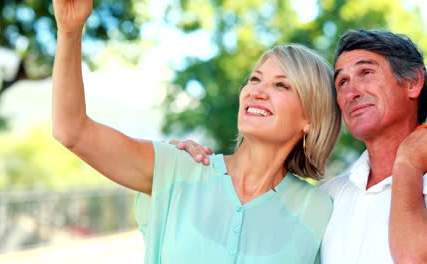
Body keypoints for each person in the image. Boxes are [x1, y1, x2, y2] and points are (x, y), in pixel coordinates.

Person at [51, 1, 342, 263]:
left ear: (310, 119)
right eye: (255, 79)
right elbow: (72, 130)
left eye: (281, 85)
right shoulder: (177, 168)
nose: (257, 91)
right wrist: (70, 31)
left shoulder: (319, 211)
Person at [174, 29, 427, 263]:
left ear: (413, 82)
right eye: (342, 83)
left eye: (367, 73)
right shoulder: (327, 199)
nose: (352, 92)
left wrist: (407, 164)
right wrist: (193, 168)